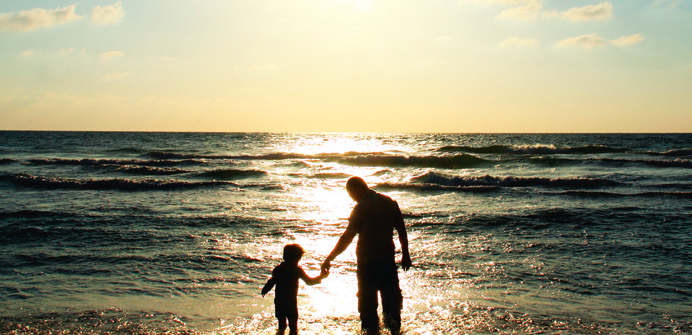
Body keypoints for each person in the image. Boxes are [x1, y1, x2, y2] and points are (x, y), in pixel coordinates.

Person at [321, 177, 412, 334]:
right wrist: (405, 254)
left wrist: (329, 258)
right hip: (387, 261)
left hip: (367, 264)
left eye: (351, 193)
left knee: (367, 306)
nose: (352, 197)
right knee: (391, 303)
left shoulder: (360, 209)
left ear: (358, 189)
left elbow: (347, 238)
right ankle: (394, 330)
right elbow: (402, 231)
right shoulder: (389, 203)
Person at [262, 244, 329, 335]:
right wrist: (321, 277)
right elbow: (309, 281)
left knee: (282, 326)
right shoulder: (297, 270)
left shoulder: (278, 269)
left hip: (279, 301)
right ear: (296, 258)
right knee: (293, 327)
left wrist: (265, 290)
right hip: (291, 303)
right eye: (299, 258)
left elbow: (272, 281)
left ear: (284, 256)